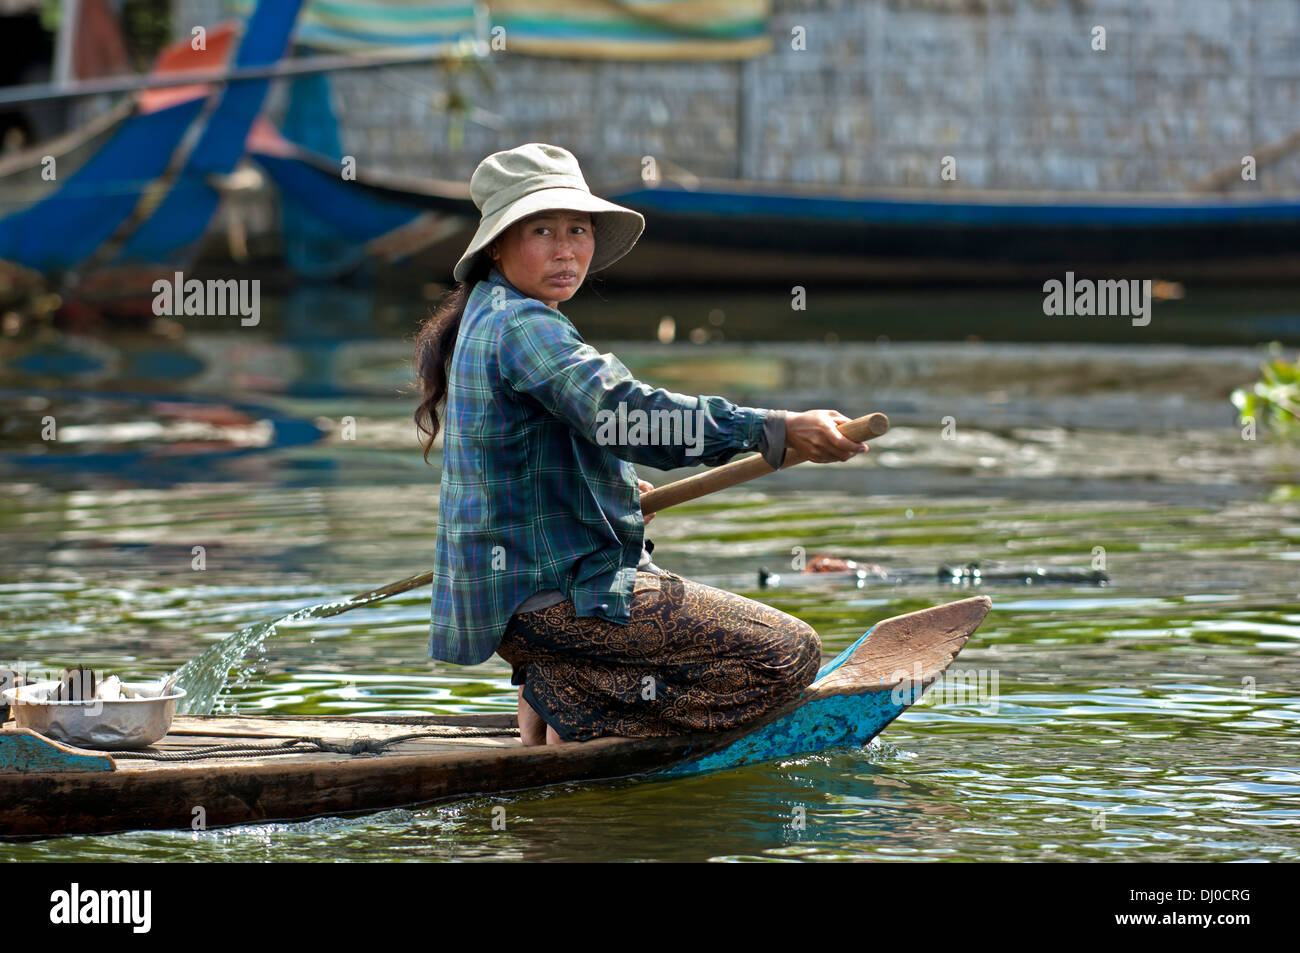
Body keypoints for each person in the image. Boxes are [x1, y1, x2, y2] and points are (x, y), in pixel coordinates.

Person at [413, 143, 869, 746]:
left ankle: (562, 684)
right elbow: (627, 417)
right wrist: (773, 429)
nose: (566, 249)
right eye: (541, 231)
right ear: (497, 244)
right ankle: (573, 700)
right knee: (787, 654)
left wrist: (614, 494)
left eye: (578, 229)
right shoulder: (523, 326)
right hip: (556, 604)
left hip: (524, 601)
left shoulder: (490, 312)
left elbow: (537, 453)